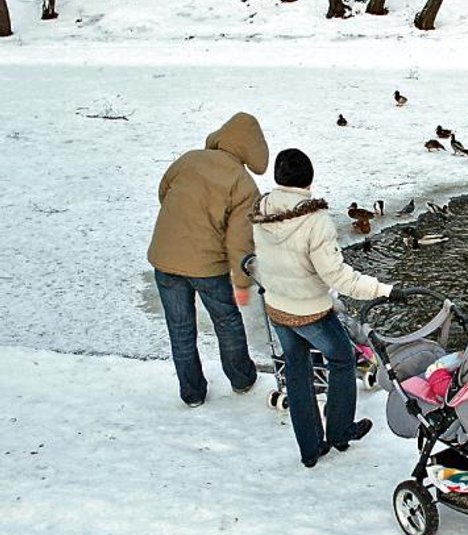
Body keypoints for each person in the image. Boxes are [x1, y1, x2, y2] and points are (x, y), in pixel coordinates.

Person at [251, 148, 406, 467]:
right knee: (342, 359)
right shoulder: (315, 221)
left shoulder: (263, 209)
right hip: (310, 311)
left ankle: (309, 449)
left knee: (296, 371)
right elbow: (337, 275)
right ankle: (339, 431)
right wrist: (384, 290)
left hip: (277, 307)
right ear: (308, 180)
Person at [148, 112, 268, 407]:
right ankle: (242, 379)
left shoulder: (189, 159)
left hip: (164, 259)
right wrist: (241, 282)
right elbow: (240, 240)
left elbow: (164, 193)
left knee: (179, 327)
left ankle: (192, 394)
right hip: (206, 267)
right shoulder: (243, 183)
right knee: (226, 321)